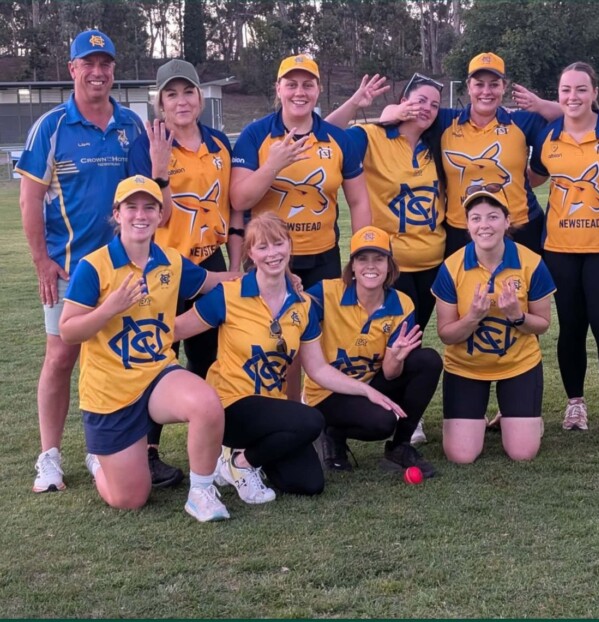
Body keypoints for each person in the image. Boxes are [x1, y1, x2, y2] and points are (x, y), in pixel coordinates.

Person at [174, 214, 408, 503]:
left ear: (289, 246)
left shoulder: (303, 304)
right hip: (230, 405)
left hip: (272, 409)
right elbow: (176, 330)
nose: (272, 253)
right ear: (250, 254)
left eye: (278, 244)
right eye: (262, 247)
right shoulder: (229, 295)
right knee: (310, 419)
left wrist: (366, 390)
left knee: (309, 483)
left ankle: (240, 458)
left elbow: (318, 369)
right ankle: (240, 464)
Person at [59, 176, 240, 521]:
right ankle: (99, 462)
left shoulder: (171, 261)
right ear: (117, 213)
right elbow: (68, 331)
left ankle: (201, 493)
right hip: (110, 390)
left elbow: (214, 282)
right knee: (131, 498)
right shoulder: (94, 266)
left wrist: (270, 278)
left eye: (149, 208)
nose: (140, 215)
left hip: (157, 374)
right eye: (131, 207)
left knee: (206, 403)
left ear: (160, 215)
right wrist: (110, 308)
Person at [16, 30, 144, 493]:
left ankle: (100, 448)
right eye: (88, 63)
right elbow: (30, 200)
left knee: (115, 355)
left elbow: (143, 195)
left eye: (105, 63)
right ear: (72, 69)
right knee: (60, 357)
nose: (97, 72)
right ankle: (49, 456)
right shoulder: (51, 127)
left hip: (121, 269)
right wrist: (42, 262)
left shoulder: (131, 124)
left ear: (113, 70)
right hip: (70, 270)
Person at [128, 58, 244, 487]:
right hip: (163, 264)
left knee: (212, 354)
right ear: (159, 102)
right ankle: (147, 451)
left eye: (188, 91)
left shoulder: (218, 142)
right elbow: (153, 216)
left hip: (210, 260)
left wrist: (235, 264)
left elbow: (233, 209)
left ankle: (217, 444)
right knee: (157, 354)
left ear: (200, 97)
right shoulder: (146, 145)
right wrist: (159, 169)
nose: (181, 101)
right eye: (171, 94)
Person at [529, 62, 599, 440]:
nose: (572, 96)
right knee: (571, 328)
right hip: (559, 248)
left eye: (580, 89)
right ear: (558, 94)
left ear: (595, 93)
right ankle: (575, 404)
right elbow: (533, 177)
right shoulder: (548, 135)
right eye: (565, 90)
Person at [381, 52, 561, 258]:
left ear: (504, 87)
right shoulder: (446, 121)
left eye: (494, 84)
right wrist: (396, 111)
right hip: (461, 229)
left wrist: (539, 105)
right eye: (479, 84)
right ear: (468, 86)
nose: (486, 91)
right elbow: (388, 116)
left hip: (520, 226)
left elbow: (573, 116)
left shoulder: (522, 121)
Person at [303, 226, 442, 475]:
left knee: (428, 360)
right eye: (362, 259)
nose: (371, 266)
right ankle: (332, 432)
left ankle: (400, 446)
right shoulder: (326, 293)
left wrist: (396, 357)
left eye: (379, 259)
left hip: (369, 382)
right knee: (381, 423)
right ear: (352, 267)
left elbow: (389, 374)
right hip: (328, 391)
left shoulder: (401, 303)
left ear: (389, 266)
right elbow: (292, 312)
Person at [431, 190, 555, 464]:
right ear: (467, 224)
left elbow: (543, 325)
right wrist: (472, 317)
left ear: (507, 221)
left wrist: (517, 315)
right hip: (465, 366)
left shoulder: (531, 262)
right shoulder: (451, 267)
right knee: (461, 456)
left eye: (493, 217)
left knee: (522, 453)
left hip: (518, 364)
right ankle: (477, 419)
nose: (484, 225)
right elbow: (446, 334)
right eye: (476, 218)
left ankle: (520, 419)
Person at [230, 54, 370, 287]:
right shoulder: (255, 135)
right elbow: (238, 200)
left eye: (307, 85)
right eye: (291, 85)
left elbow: (359, 202)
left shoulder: (338, 139)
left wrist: (361, 253)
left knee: (321, 311)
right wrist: (272, 166)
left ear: (318, 90)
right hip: (267, 255)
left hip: (323, 257)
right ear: (278, 89)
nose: (299, 92)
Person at [328, 73, 445, 335]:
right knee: (386, 340)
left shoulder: (438, 142)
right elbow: (323, 135)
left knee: (412, 340)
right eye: (420, 100)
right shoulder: (370, 137)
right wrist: (355, 103)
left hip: (432, 265)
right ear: (403, 101)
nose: (427, 108)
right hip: (390, 266)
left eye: (434, 105)